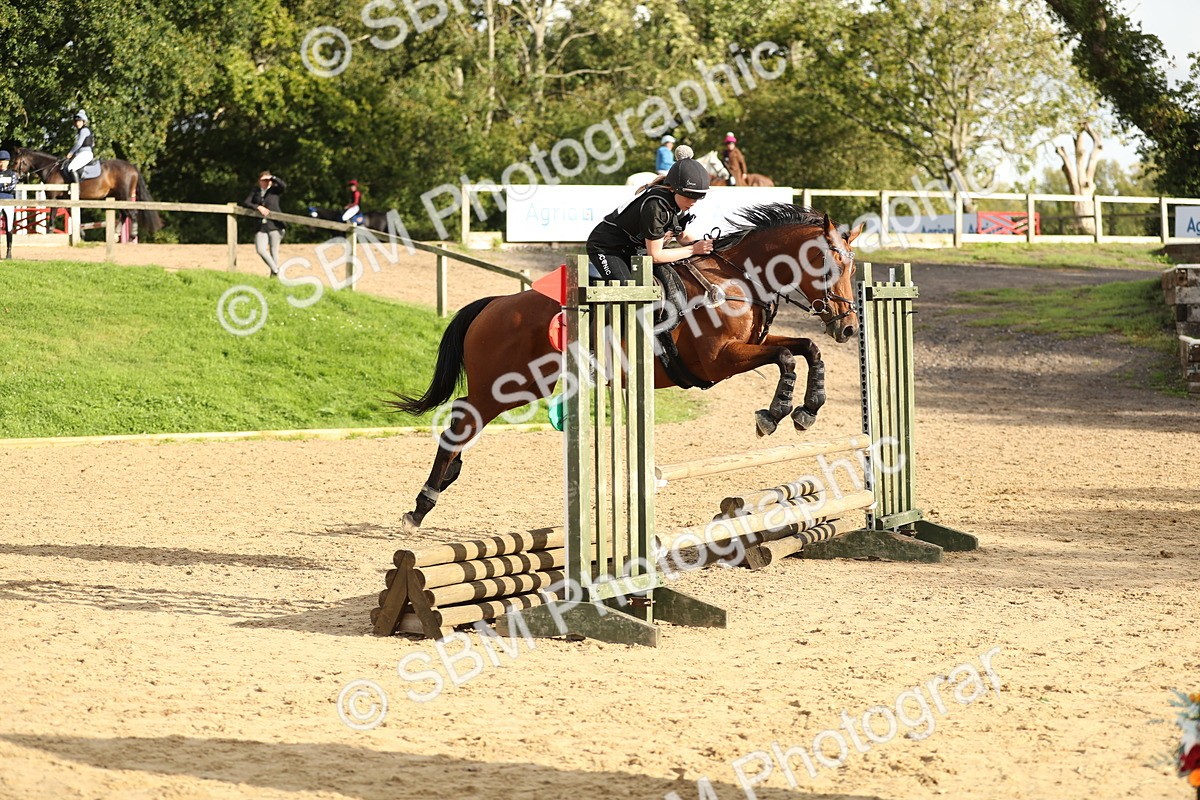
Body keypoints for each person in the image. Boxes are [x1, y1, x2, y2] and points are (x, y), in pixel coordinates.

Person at [586, 158, 713, 282]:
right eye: (689, 196)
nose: (693, 202)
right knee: (628, 291)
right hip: (607, 248)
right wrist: (693, 249)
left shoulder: (679, 204)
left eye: (698, 197)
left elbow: (682, 235)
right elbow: (655, 256)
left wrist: (706, 245)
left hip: (634, 249)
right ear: (674, 189)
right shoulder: (655, 207)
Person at [242, 171, 287, 277]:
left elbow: (283, 185)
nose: (265, 182)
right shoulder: (256, 191)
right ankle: (276, 270)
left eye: (267, 180)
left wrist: (273, 177)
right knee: (260, 249)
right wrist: (258, 207)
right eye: (263, 180)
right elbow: (246, 202)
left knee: (274, 251)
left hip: (275, 225)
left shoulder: (274, 190)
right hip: (261, 226)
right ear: (259, 181)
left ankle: (273, 276)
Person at [65, 110, 95, 184]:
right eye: (76, 122)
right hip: (81, 154)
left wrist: (71, 152)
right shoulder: (81, 131)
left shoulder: (84, 130)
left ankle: (76, 188)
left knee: (71, 168)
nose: (77, 123)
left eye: (79, 121)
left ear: (83, 122)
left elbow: (79, 144)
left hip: (85, 154)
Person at [0, 150, 16, 259]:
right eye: (1, 161)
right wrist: (4, 186)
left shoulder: (12, 174)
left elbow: (11, 187)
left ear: (8, 162)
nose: (2, 163)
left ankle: (9, 250)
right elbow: (7, 187)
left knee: (9, 226)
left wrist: (2, 187)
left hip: (9, 201)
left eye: (4, 161)